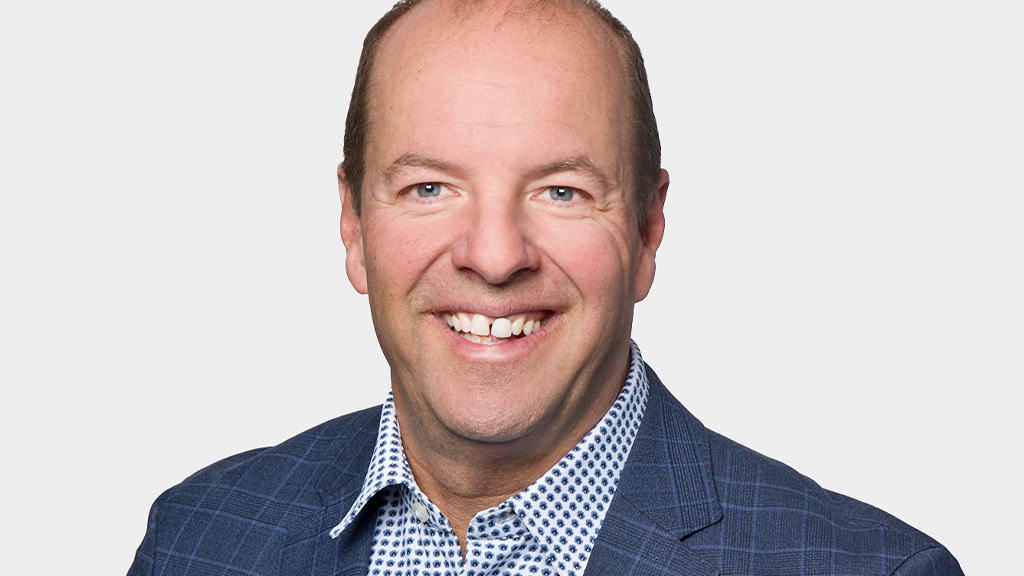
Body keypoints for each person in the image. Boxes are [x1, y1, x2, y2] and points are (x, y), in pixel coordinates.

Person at [128, 1, 963, 574]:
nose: (495, 257)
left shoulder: (869, 569)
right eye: (428, 188)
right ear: (353, 223)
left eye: (561, 191)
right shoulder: (199, 537)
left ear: (647, 229)